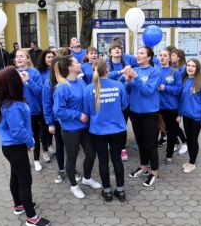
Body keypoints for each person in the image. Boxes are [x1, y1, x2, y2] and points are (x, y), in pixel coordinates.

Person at [0, 66, 51, 226]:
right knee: (25, 181)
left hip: (12, 147)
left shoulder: (10, 101)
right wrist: (30, 142)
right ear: (13, 81)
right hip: (15, 146)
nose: (22, 75)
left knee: (16, 176)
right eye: (18, 74)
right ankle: (31, 218)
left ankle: (19, 205)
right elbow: (18, 131)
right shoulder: (12, 106)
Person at [52, 55, 101, 199]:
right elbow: (58, 111)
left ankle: (86, 178)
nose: (80, 63)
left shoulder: (80, 82)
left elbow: (87, 99)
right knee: (72, 158)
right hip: (70, 129)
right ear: (70, 67)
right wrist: (78, 115)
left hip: (85, 127)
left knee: (91, 154)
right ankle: (74, 186)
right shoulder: (62, 88)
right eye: (76, 62)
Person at [83, 59, 128, 202]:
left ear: (93, 70)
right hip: (117, 129)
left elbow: (87, 111)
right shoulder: (119, 85)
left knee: (103, 161)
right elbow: (124, 105)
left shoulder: (88, 88)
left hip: (98, 131)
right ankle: (120, 191)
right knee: (117, 159)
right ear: (107, 70)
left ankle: (107, 192)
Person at [125, 47, 161, 187]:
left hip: (149, 113)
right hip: (135, 111)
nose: (138, 55)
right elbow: (128, 90)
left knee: (150, 143)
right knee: (140, 141)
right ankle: (144, 167)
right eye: (137, 53)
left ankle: (154, 172)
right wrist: (128, 81)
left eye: (141, 53)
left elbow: (148, 91)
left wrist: (135, 77)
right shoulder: (135, 69)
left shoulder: (155, 72)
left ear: (149, 57)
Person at [177, 58, 201, 173]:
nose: (190, 68)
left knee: (193, 140)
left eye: (193, 66)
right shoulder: (185, 80)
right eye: (188, 65)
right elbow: (182, 100)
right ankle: (190, 161)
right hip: (187, 116)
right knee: (189, 139)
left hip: (197, 118)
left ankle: (192, 163)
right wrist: (179, 114)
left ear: (197, 68)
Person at [106, 41, 138, 160]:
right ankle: (110, 142)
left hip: (125, 101)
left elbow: (130, 84)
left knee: (122, 124)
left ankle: (122, 148)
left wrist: (127, 82)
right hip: (110, 100)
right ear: (110, 53)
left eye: (119, 48)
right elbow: (105, 75)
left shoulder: (128, 64)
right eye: (114, 48)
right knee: (111, 123)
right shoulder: (106, 64)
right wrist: (120, 72)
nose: (117, 50)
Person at [15, 49, 44, 172]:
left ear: (27, 59)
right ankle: (24, 161)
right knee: (21, 136)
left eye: (22, 56)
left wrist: (28, 81)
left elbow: (39, 91)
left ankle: (36, 160)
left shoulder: (34, 73)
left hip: (33, 111)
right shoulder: (13, 73)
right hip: (18, 111)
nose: (19, 58)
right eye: (17, 57)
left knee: (35, 137)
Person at [158, 48, 183, 166]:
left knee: (171, 132)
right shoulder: (155, 71)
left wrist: (165, 88)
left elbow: (178, 90)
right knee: (155, 132)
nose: (162, 57)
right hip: (156, 107)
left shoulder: (174, 72)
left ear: (169, 58)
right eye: (160, 55)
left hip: (171, 108)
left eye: (165, 55)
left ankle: (169, 156)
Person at [37, 49, 57, 163]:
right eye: (48, 57)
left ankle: (50, 144)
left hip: (56, 104)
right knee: (44, 128)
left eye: (52, 57)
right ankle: (44, 150)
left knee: (52, 127)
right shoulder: (39, 72)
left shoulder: (57, 70)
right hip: (43, 104)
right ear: (44, 59)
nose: (50, 59)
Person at [169, 47, 188, 154]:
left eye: (173, 55)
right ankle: (175, 142)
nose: (171, 57)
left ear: (179, 57)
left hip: (179, 99)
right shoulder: (173, 68)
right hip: (171, 99)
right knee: (169, 125)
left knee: (174, 124)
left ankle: (185, 142)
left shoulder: (183, 69)